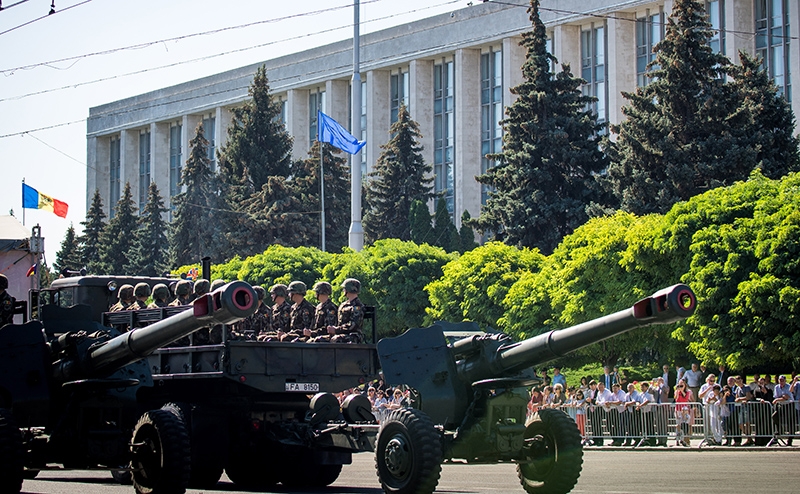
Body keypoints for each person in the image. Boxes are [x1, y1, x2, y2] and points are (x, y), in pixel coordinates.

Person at [322, 278, 364, 344]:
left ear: (349, 289)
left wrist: (336, 330)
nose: (343, 290)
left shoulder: (357, 306)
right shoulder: (343, 304)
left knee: (336, 340)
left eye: (344, 288)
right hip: (340, 334)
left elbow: (354, 325)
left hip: (354, 335)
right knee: (319, 340)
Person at [773, 375, 794, 445]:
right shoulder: (776, 387)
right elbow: (776, 396)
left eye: (782, 380)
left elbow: (787, 397)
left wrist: (778, 399)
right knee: (774, 416)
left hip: (789, 405)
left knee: (790, 422)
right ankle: (779, 430)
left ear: (785, 381)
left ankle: (790, 440)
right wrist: (780, 398)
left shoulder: (788, 386)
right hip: (781, 405)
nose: (781, 382)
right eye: (780, 380)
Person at [674, 381, 692, 446]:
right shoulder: (677, 392)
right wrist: (678, 392)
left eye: (682, 386)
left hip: (684, 409)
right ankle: (677, 439)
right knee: (678, 424)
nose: (680, 387)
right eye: (679, 386)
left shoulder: (687, 392)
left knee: (684, 424)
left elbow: (686, 398)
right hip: (678, 409)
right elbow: (676, 399)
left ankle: (683, 439)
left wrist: (682, 391)